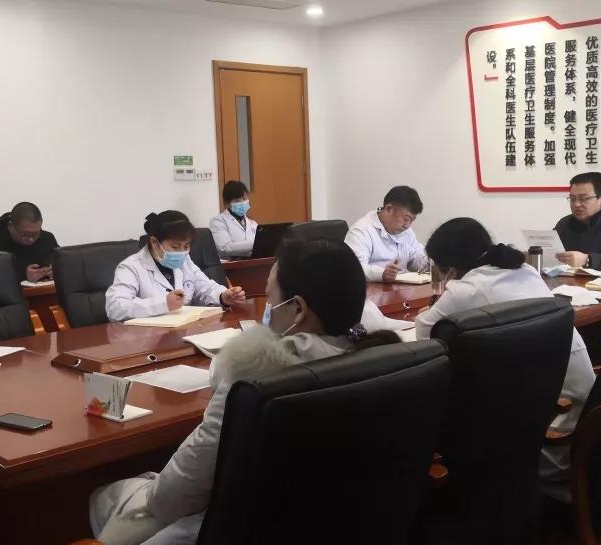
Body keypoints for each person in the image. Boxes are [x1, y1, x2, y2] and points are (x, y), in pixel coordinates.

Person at [90, 239, 400, 545]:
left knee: (105, 497)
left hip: (244, 527)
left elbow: (177, 491)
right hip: (342, 524)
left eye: (269, 297)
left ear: (297, 309)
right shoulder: (381, 361)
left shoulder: (257, 379)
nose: (266, 309)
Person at [414, 218, 595, 497]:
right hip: (582, 434)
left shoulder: (468, 289)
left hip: (548, 441)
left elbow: (425, 334)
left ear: (451, 266)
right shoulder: (525, 271)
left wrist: (434, 309)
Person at [105, 211, 245, 322]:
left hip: (184, 331)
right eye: (175, 247)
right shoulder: (131, 267)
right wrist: (162, 303)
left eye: (186, 246)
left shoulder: (185, 261)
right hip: (147, 339)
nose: (182, 252)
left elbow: (204, 287)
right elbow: (115, 308)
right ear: (154, 243)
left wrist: (223, 296)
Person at [344, 186, 430, 283]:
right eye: (406, 219)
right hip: (373, 289)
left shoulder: (406, 231)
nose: (407, 225)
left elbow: (416, 258)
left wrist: (430, 263)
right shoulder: (361, 230)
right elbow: (354, 269)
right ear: (389, 209)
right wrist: (382, 274)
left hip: (403, 289)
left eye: (412, 220)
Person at [0, 201, 60, 282]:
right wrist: (23, 275)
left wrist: (54, 269)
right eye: (25, 234)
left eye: (36, 234)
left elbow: (61, 262)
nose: (30, 239)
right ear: (11, 226)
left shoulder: (47, 239)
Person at [208, 180, 258, 258]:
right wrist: (256, 244)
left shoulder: (252, 223)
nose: (242, 203)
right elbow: (226, 248)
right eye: (237, 201)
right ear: (227, 203)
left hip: (254, 261)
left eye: (244, 199)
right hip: (232, 263)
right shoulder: (218, 222)